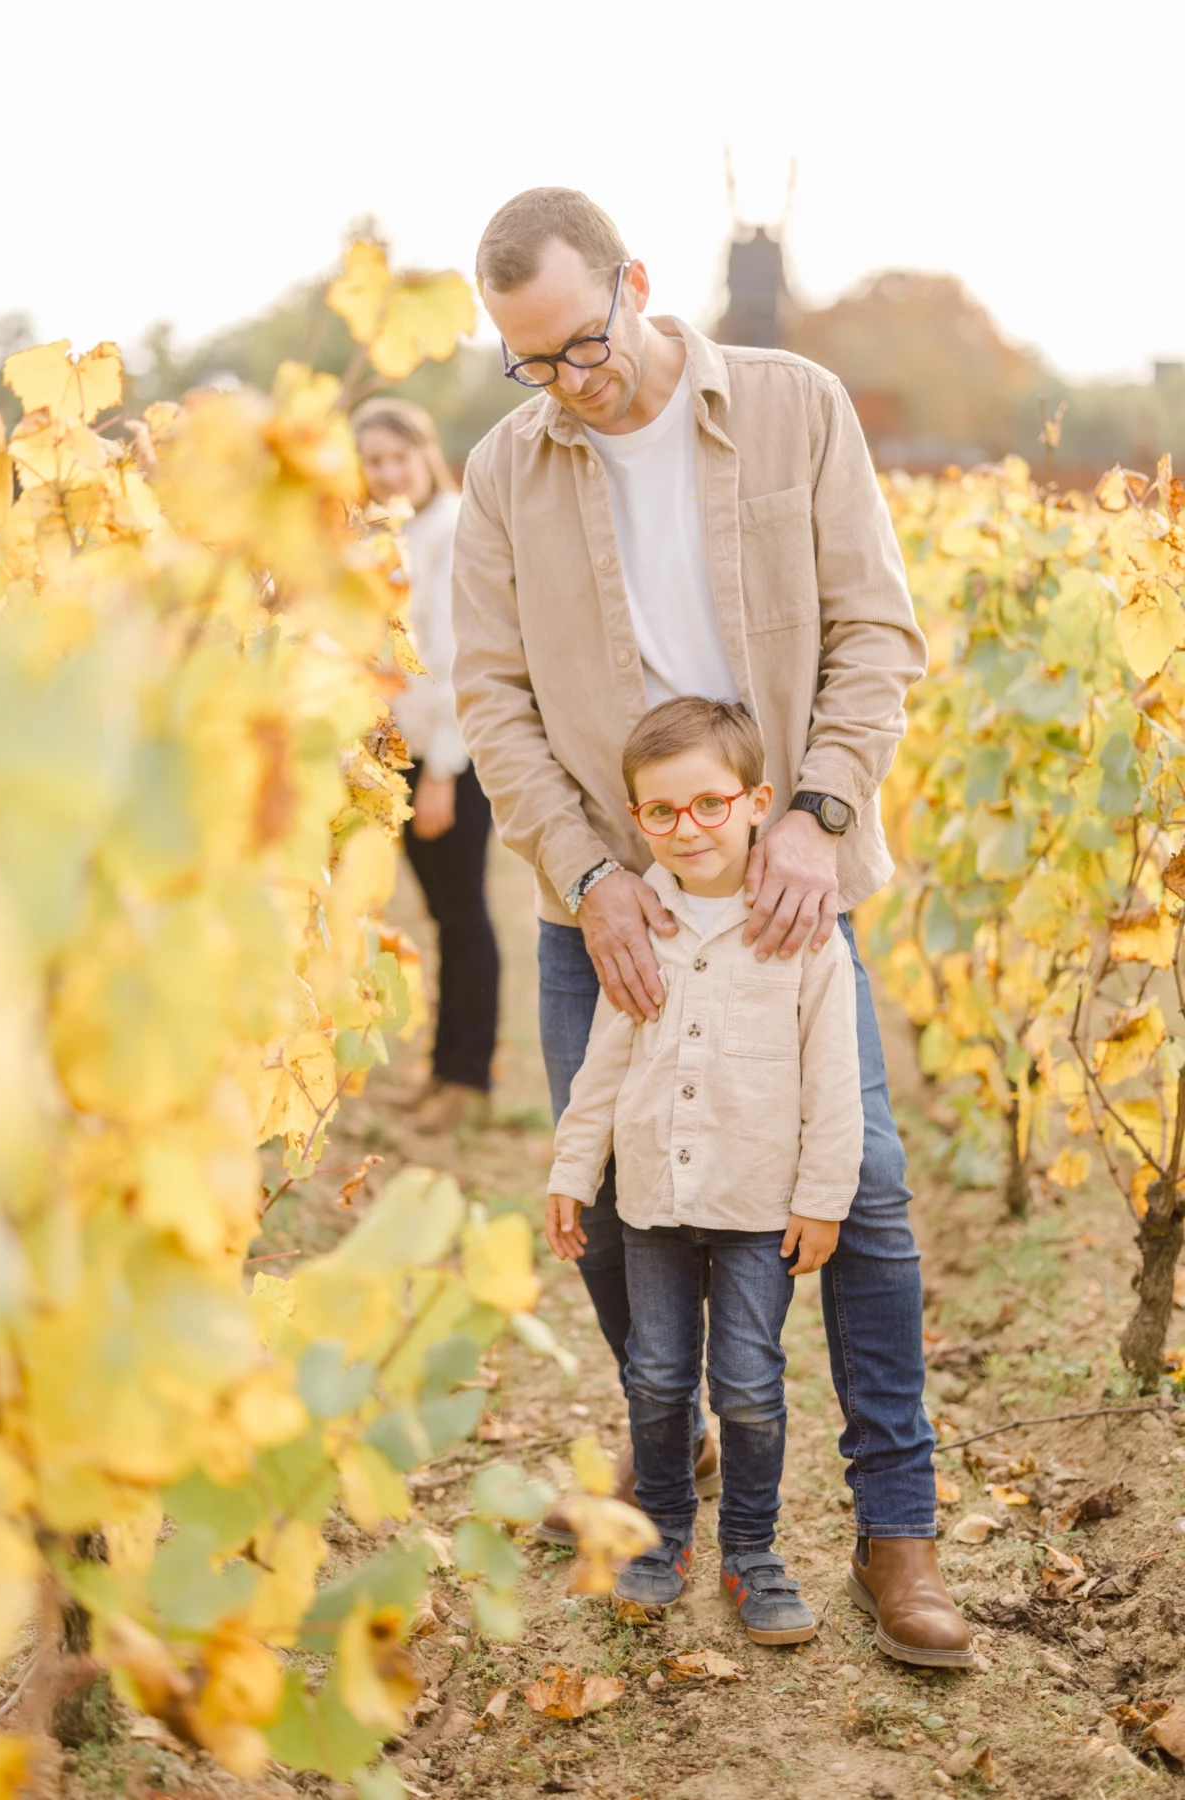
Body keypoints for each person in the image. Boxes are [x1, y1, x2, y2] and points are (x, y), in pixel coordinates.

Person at [452, 187, 972, 1666]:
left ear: (634, 281)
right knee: (619, 1202)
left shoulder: (796, 408)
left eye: (582, 342)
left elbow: (876, 632)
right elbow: (493, 699)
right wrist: (588, 872)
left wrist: (816, 814)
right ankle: (667, 1439)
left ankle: (896, 1529)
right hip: (609, 904)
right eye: (530, 360)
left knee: (864, 1195)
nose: (567, 380)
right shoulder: (504, 472)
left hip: (781, 883)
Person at [547, 698, 863, 1644]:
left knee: (751, 1383)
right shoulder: (641, 925)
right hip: (652, 1202)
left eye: (710, 805)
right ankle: (663, 1535)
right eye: (662, 812)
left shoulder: (804, 932)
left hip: (759, 1204)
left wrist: (823, 1199)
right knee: (654, 1376)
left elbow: (833, 1079)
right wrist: (572, 1172)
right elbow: (603, 1066)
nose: (687, 829)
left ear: (757, 802)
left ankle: (752, 1552)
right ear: (636, 819)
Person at [353, 398, 499, 1133]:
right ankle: (444, 1069)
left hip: (451, 753)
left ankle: (467, 1078)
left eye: (398, 456)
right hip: (403, 751)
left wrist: (442, 768)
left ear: (426, 452)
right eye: (373, 461)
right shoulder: (391, 535)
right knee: (443, 912)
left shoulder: (453, 527)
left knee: (464, 911)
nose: (387, 472)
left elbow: (459, 658)